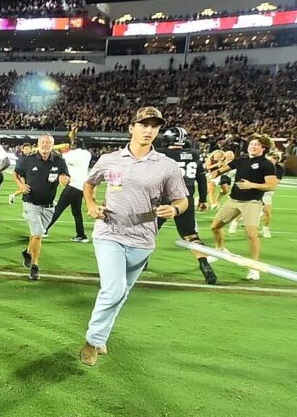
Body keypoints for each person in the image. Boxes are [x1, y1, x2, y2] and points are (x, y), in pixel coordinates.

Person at [80, 107, 189, 366]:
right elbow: (89, 183)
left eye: (154, 126)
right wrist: (91, 204)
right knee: (114, 289)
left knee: (122, 292)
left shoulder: (167, 166)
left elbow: (182, 199)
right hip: (109, 233)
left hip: (142, 240)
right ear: (132, 127)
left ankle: (101, 335)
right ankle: (93, 341)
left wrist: (174, 209)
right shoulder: (110, 159)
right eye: (143, 124)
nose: (149, 130)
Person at [208, 134, 279, 280]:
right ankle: (220, 249)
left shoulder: (266, 164)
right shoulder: (242, 160)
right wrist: (216, 172)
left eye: (256, 144)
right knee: (215, 227)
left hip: (252, 202)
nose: (252, 146)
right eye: (251, 144)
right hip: (233, 200)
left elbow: (271, 185)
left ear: (264, 148)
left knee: (251, 234)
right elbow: (225, 168)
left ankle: (254, 267)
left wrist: (251, 185)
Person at [153, 126, 217, 285]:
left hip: (164, 198)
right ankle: (204, 264)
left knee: (149, 232)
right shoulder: (194, 154)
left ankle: (141, 261)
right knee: (191, 235)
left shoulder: (160, 153)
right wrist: (203, 199)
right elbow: (201, 178)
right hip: (185, 198)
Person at [13, 134, 69, 281]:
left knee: (35, 234)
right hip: (30, 203)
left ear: (52, 145)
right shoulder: (28, 159)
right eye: (42, 142)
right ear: (38, 144)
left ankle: (27, 252)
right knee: (38, 234)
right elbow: (16, 173)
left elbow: (65, 175)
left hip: (48, 206)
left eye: (48, 142)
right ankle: (35, 266)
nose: (45, 145)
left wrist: (64, 179)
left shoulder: (59, 161)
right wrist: (20, 185)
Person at [46, 141, 92, 243]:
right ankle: (81, 235)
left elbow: (59, 156)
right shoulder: (87, 154)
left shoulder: (71, 154)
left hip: (73, 185)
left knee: (58, 208)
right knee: (77, 212)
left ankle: (44, 230)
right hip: (82, 187)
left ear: (74, 146)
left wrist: (52, 148)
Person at [259, 151, 285, 238]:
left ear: (277, 160)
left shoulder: (279, 169)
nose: (270, 161)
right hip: (256, 189)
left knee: (267, 212)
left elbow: (274, 183)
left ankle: (265, 228)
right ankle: (234, 223)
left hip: (267, 192)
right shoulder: (261, 165)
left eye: (273, 160)